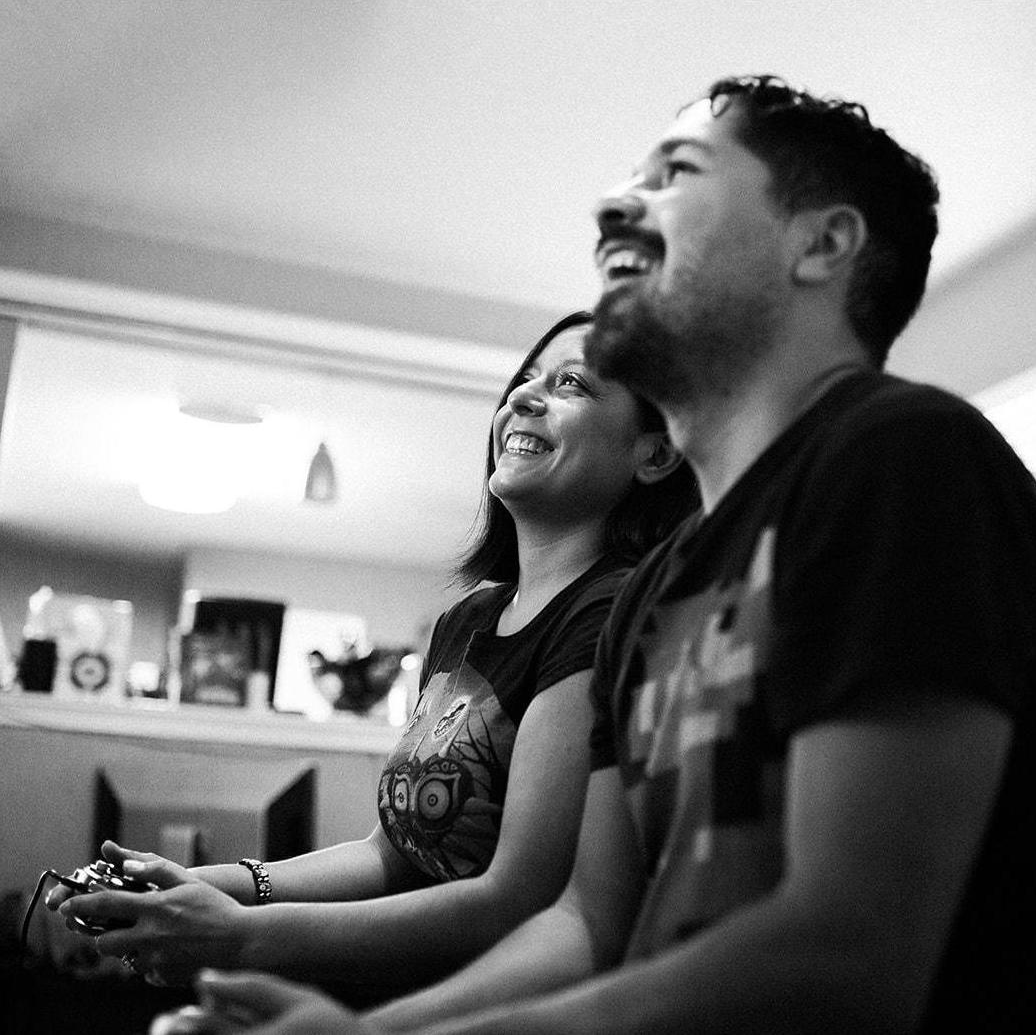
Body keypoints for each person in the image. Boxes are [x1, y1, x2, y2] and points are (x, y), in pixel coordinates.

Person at [151, 73, 1036, 1034]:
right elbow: (584, 925)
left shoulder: (900, 457)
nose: (616, 204)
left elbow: (849, 950)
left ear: (820, 245)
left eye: (677, 174)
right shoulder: (651, 595)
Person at [52, 311, 696, 1001]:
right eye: (525, 378)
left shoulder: (609, 612)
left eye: (570, 384)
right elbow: (388, 857)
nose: (523, 397)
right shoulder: (468, 622)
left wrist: (240, 935)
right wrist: (208, 884)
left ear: (654, 454)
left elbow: (515, 898)